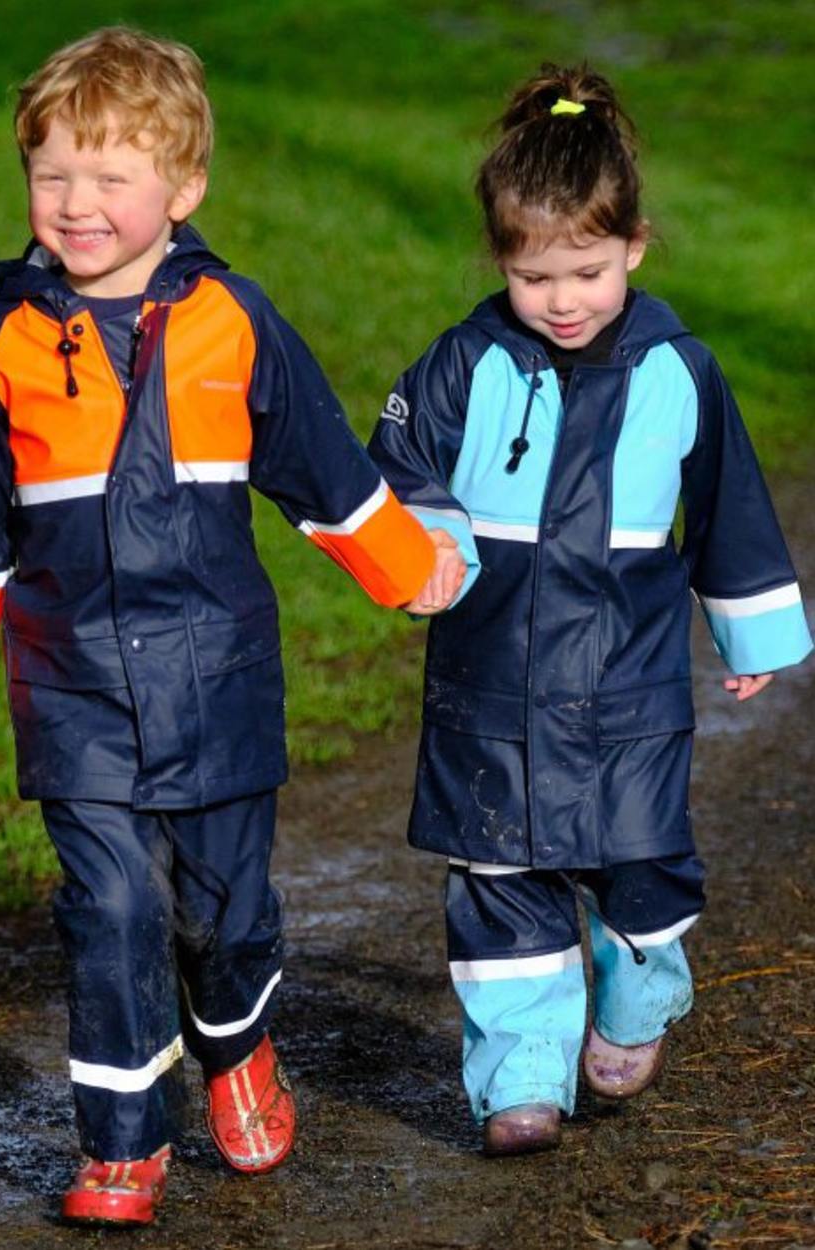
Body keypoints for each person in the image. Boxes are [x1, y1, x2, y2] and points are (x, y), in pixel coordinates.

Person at [0, 26, 465, 1224]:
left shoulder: (234, 323)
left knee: (220, 909)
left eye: (111, 177)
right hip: (76, 687)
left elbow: (325, 470)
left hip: (220, 680)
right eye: (53, 174)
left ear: (182, 187)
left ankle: (239, 1042)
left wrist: (409, 569)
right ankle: (119, 1143)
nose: (77, 203)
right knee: (110, 909)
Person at [367, 62, 812, 1156]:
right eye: (533, 277)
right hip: (491, 679)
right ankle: (521, 1073)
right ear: (500, 263)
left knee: (641, 868)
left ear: (634, 248)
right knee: (502, 875)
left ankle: (639, 987)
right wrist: (432, 539)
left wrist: (746, 626)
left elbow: (728, 507)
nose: (561, 299)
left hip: (627, 684)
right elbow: (395, 468)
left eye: (587, 270)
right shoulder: (464, 362)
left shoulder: (678, 372)